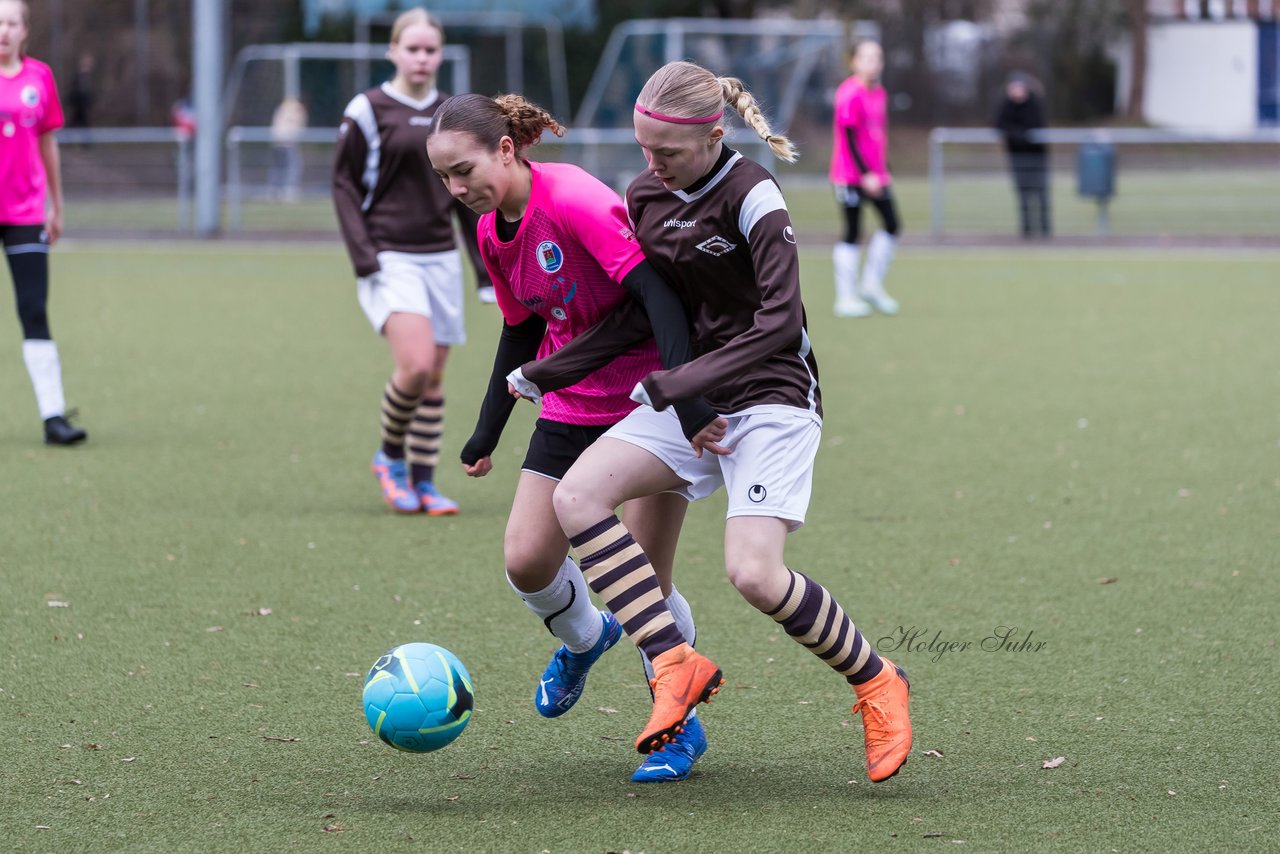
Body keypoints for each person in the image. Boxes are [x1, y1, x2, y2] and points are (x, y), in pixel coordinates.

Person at [515, 60, 913, 783]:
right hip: (692, 398)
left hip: (771, 397)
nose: (651, 165)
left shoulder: (753, 194)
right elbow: (642, 312)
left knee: (754, 575)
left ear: (713, 134)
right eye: (643, 149)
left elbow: (778, 324)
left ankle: (878, 680)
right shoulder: (646, 195)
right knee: (576, 497)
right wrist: (548, 371)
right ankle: (674, 665)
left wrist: (681, 386)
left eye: (666, 151)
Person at [425, 91, 728, 782]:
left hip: (646, 401)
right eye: (444, 177)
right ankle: (586, 639)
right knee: (527, 559)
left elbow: (658, 296)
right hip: (570, 405)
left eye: (464, 169)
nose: (457, 188)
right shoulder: (489, 232)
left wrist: (684, 399)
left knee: (647, 578)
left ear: (506, 148)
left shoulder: (574, 199)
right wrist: (485, 432)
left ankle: (677, 726)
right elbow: (522, 329)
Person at [332, 8, 490, 515]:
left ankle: (424, 482)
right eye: (412, 48)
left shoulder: (453, 115)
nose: (422, 58)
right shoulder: (367, 108)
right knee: (416, 365)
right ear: (393, 51)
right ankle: (389, 458)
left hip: (440, 257)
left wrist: (485, 272)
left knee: (436, 377)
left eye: (430, 49)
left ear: (441, 54)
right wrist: (364, 256)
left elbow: (467, 199)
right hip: (389, 257)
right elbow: (342, 184)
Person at [0, 0, 87, 445]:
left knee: (33, 310)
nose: (3, 30)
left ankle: (53, 416)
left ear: (25, 30)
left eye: (11, 22)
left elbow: (48, 144)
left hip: (25, 213)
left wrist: (58, 205)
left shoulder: (40, 78)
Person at [829, 39, 900, 318]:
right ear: (854, 62)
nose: (874, 63)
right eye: (867, 58)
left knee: (893, 225)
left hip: (876, 174)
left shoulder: (880, 92)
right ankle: (845, 297)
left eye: (878, 58)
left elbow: (875, 137)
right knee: (852, 232)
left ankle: (871, 285)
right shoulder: (849, 93)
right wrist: (865, 174)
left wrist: (883, 168)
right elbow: (849, 138)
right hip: (850, 176)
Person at [995, 71, 1050, 238]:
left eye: (1019, 87)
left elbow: (1036, 125)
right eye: (1013, 87)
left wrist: (1020, 134)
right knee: (1022, 194)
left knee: (1041, 194)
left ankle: (1045, 230)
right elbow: (1000, 125)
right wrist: (1017, 135)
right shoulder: (1006, 106)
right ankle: (1026, 230)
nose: (1016, 91)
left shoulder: (1035, 103)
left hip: (1037, 156)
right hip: (1017, 156)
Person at [270, 96, 307, 202]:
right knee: (293, 166)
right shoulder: (297, 109)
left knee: (279, 167)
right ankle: (289, 190)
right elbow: (298, 128)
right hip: (288, 143)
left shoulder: (283, 108)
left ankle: (276, 190)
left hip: (277, 142)